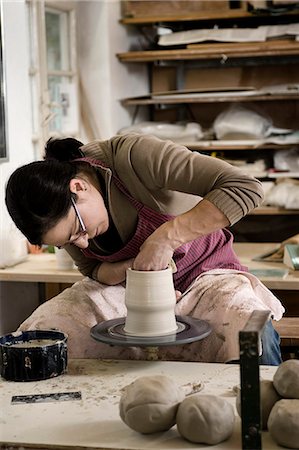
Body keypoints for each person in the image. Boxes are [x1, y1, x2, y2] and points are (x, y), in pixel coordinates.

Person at [5, 133, 284, 364]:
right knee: (47, 326)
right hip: (128, 290)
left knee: (248, 325)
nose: (81, 244)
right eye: (67, 244)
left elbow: (245, 187)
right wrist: (132, 268)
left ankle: (256, 418)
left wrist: (164, 239)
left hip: (208, 276)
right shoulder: (61, 218)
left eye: (77, 231)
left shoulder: (133, 157)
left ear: (79, 187)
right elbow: (92, 269)